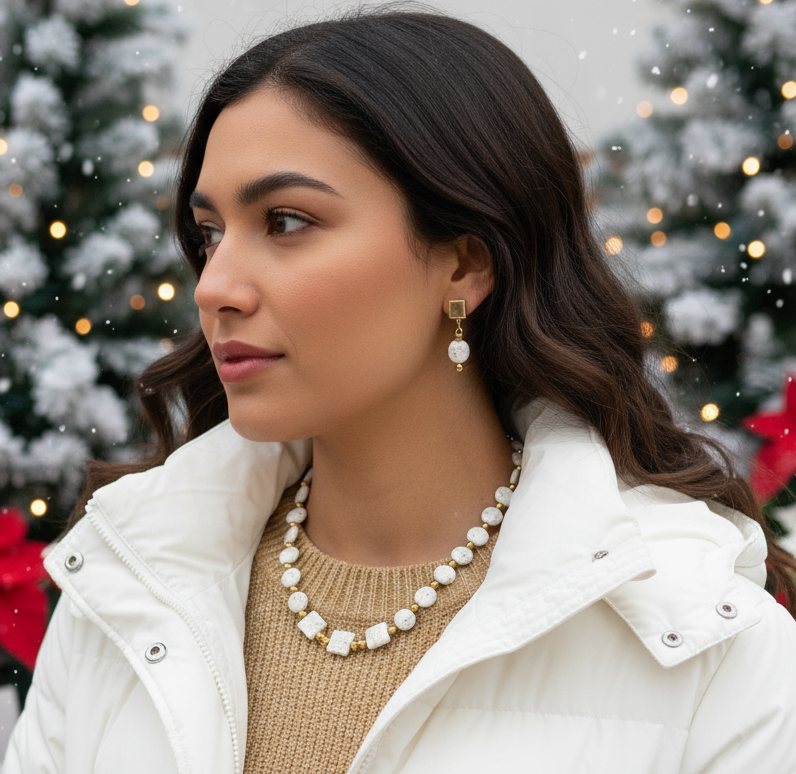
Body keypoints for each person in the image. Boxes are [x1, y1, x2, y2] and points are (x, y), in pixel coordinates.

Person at [4, 6, 796, 773]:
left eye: (285, 222)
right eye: (210, 234)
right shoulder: (124, 594)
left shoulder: (702, 646)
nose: (214, 287)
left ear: (466, 262)